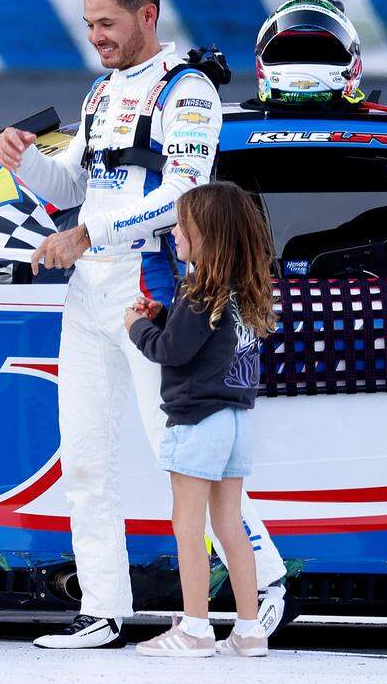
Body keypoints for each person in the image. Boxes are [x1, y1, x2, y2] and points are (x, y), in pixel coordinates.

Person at [0, 0, 287, 650]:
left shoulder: (188, 90)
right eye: (89, 23)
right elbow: (73, 186)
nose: (95, 36)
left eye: (107, 23)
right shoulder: (101, 91)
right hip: (88, 288)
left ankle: (267, 583)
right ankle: (102, 607)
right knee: (85, 457)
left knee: (187, 454)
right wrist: (23, 160)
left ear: (146, 15)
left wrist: (88, 233)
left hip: (151, 287)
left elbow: (184, 192)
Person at [126, 182, 275, 658]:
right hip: (235, 420)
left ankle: (195, 629)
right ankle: (249, 630)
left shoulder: (199, 291)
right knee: (229, 524)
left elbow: (170, 351)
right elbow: (201, 341)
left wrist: (138, 327)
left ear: (206, 234)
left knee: (187, 525)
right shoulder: (242, 293)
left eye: (182, 226)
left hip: (197, 420)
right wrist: (163, 316)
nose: (173, 233)